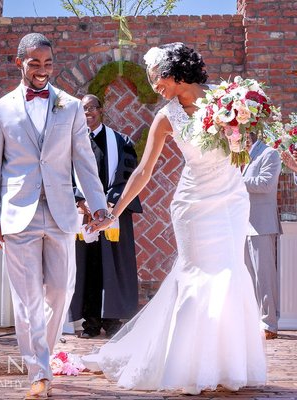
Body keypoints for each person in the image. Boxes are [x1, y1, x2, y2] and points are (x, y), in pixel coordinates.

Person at [83, 43, 266, 395]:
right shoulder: (166, 117)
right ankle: (185, 366)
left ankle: (226, 364)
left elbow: (243, 150)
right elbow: (143, 171)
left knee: (230, 274)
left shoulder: (229, 98)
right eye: (152, 82)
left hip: (231, 200)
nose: (155, 88)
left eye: (158, 79)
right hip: (194, 205)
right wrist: (113, 214)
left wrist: (240, 139)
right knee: (198, 278)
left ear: (178, 72)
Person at [0, 33, 107, 399]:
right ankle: (39, 371)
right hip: (18, 215)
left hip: (63, 213)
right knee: (27, 299)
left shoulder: (69, 106)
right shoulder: (0, 109)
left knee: (61, 290)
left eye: (48, 64)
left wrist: (97, 205)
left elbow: (84, 160)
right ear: (19, 62)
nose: (42, 70)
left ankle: (45, 356)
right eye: (34, 63)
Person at [70, 94, 142, 339]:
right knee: (87, 265)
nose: (87, 112)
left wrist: (112, 202)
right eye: (83, 109)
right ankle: (90, 323)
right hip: (84, 213)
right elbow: (63, 175)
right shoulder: (70, 143)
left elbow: (129, 175)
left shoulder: (120, 141)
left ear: (101, 110)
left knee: (113, 265)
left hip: (114, 213)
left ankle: (112, 321)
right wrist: (81, 200)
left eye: (91, 107)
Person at [242, 132, 282, 340]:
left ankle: (270, 325)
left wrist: (236, 181)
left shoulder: (270, 154)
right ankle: (254, 321)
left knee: (264, 277)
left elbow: (266, 183)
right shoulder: (241, 156)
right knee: (247, 278)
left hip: (262, 225)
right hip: (242, 225)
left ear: (248, 134)